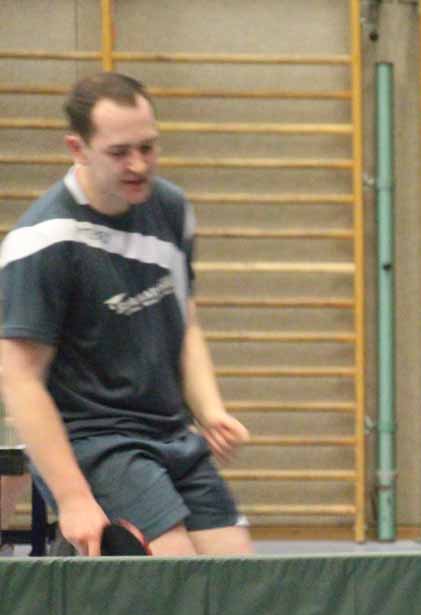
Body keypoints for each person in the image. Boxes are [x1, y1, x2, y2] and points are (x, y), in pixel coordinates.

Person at [0, 72, 252, 557]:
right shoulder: (44, 242)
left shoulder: (171, 209)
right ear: (78, 148)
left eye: (147, 148)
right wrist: (73, 499)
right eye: (119, 153)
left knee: (236, 577)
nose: (138, 165)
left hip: (171, 435)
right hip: (96, 441)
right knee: (174, 573)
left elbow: (184, 319)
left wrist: (210, 408)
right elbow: (20, 380)